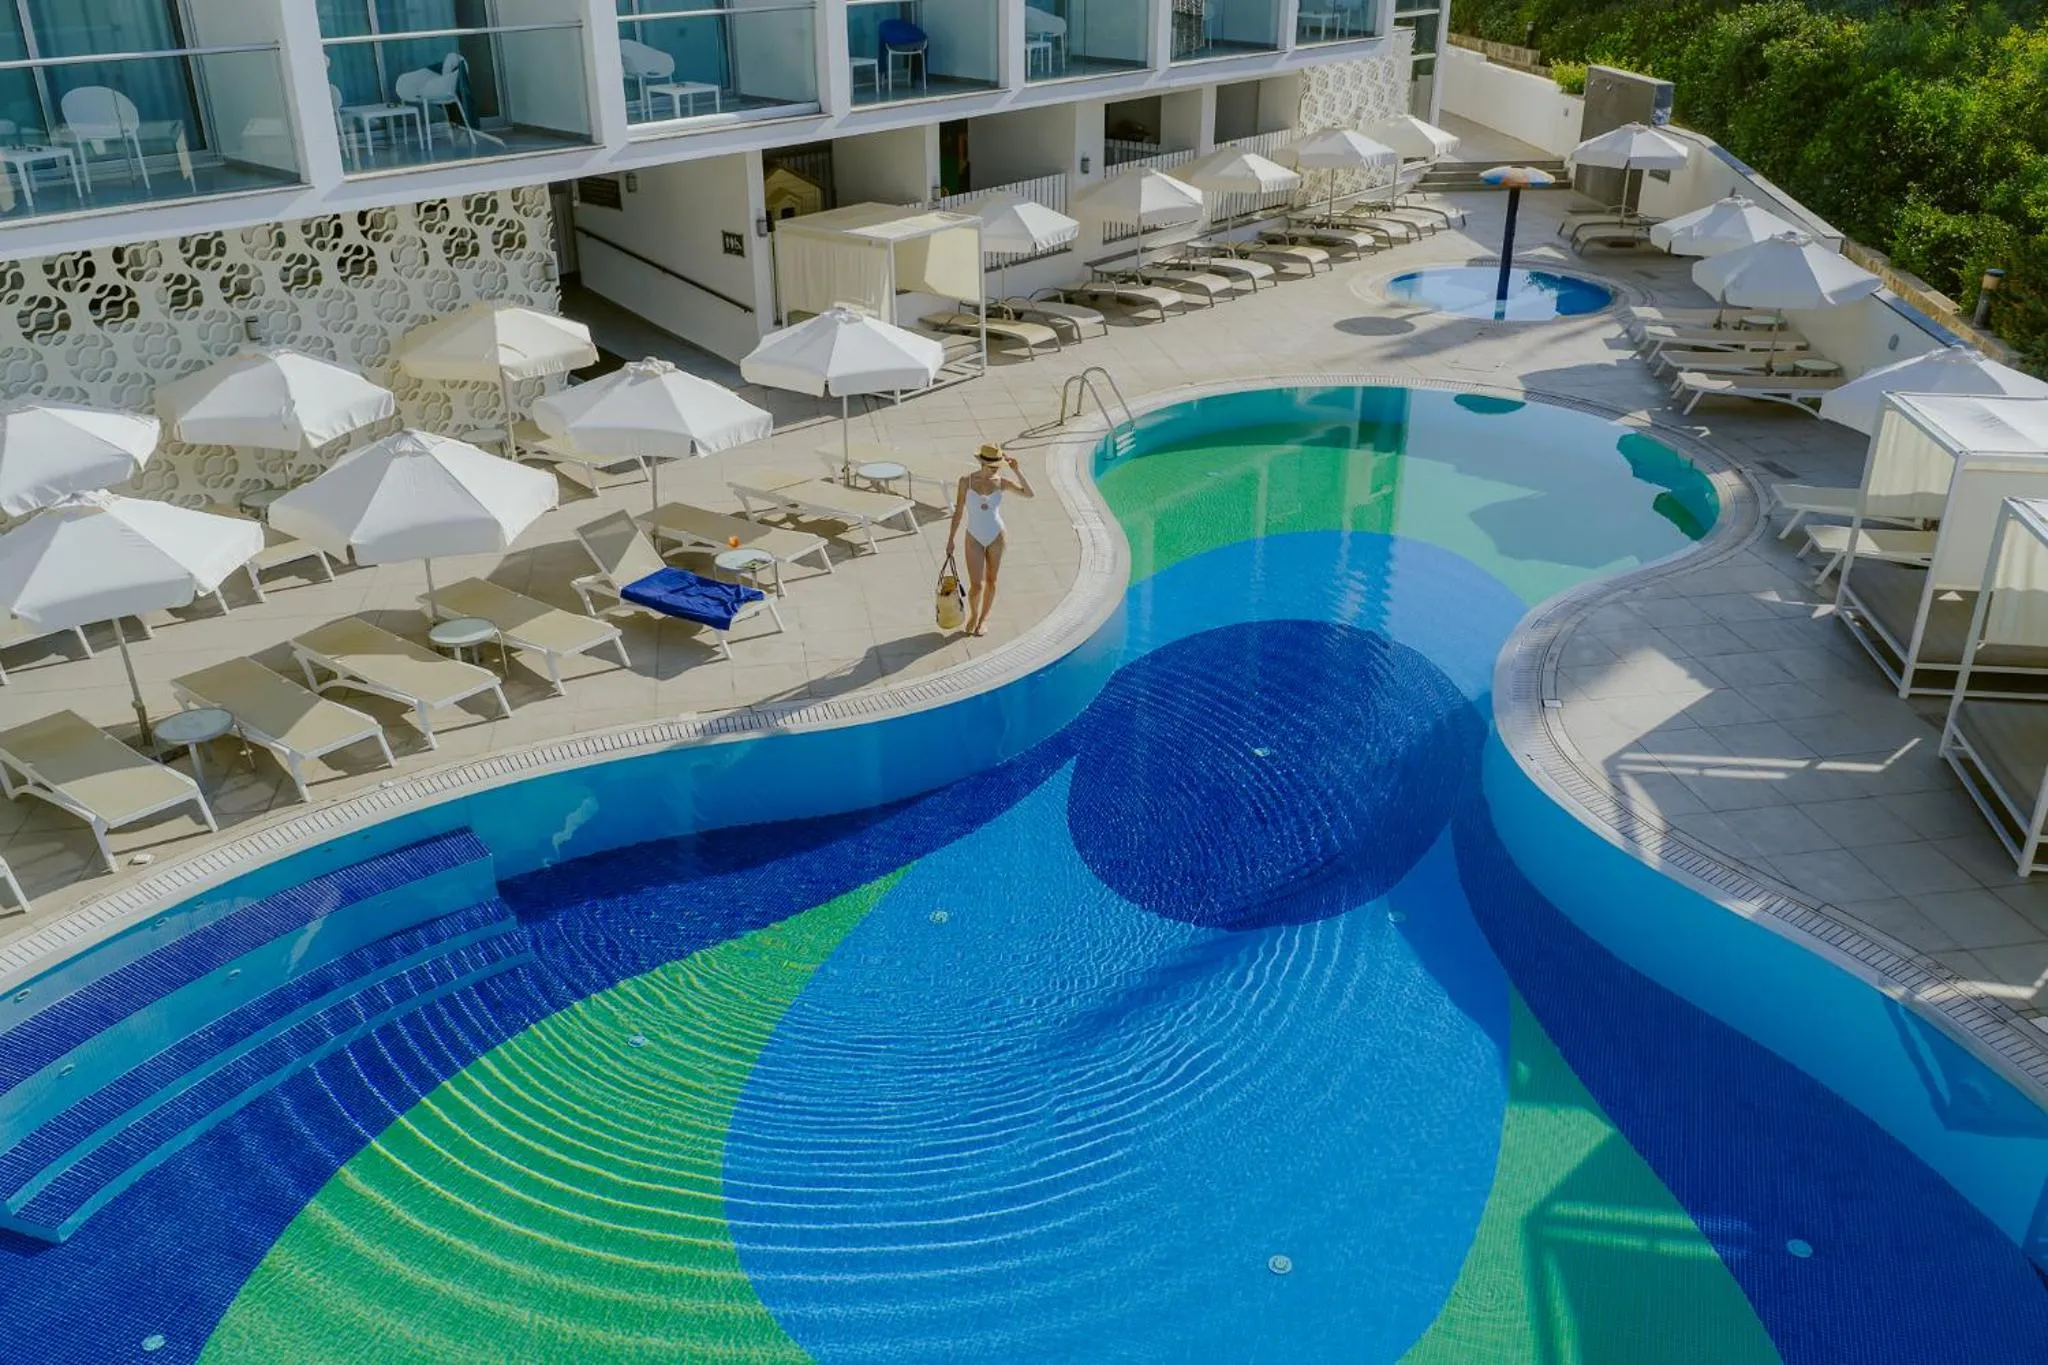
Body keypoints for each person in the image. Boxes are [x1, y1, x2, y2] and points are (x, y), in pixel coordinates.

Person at [945, 443, 1034, 636]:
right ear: (982, 463)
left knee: (992, 580)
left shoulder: (1002, 482)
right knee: (976, 586)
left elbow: (1029, 494)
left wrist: (1017, 471)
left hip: (997, 536)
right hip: (974, 537)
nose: (995, 469)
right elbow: (958, 511)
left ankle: (984, 619)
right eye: (992, 466)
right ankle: (974, 616)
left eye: (998, 466)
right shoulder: (966, 482)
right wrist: (951, 539)